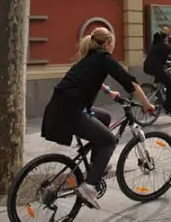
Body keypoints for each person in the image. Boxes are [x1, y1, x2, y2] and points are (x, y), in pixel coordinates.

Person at [41, 27, 155, 210]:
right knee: (109, 141)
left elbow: (91, 78)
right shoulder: (104, 58)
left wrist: (109, 92)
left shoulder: (89, 57)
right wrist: (147, 104)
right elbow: (130, 82)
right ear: (108, 43)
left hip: (59, 107)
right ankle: (89, 186)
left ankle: (95, 166)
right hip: (71, 111)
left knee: (105, 117)